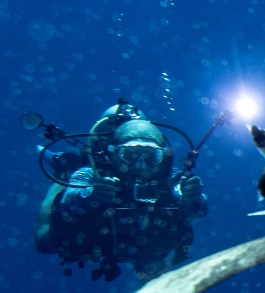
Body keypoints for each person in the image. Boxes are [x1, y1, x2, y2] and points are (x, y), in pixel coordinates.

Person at [33, 101, 208, 281]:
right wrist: (91, 196)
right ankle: (62, 172)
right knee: (44, 242)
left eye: (150, 156)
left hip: (140, 236)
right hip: (102, 233)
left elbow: (199, 210)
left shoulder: (169, 176)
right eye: (129, 155)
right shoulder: (93, 171)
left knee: (155, 260)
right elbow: (68, 202)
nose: (140, 165)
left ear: (161, 156)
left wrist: (192, 198)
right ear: (112, 153)